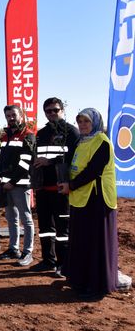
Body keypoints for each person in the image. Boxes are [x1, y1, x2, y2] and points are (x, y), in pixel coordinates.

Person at [58, 108, 119, 300]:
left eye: (86, 121)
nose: (83, 125)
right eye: (80, 122)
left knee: (95, 242)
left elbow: (93, 171)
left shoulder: (102, 142)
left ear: (95, 123)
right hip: (81, 197)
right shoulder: (82, 142)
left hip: (97, 200)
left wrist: (72, 185)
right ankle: (80, 280)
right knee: (81, 240)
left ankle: (96, 286)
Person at [32, 97, 80, 275]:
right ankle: (48, 260)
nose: (52, 113)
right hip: (43, 189)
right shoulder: (41, 134)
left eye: (56, 110)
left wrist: (49, 161)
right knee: (45, 228)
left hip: (62, 190)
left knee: (63, 230)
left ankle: (64, 264)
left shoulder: (71, 133)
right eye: (48, 110)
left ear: (62, 110)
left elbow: (75, 159)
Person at [0, 105, 36, 266]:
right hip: (5, 185)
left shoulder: (28, 135)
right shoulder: (4, 137)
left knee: (26, 219)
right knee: (11, 218)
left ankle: (27, 252)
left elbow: (26, 163)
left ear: (21, 116)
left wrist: (12, 182)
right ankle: (13, 249)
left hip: (20, 185)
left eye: (13, 115)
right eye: (8, 115)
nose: (10, 118)